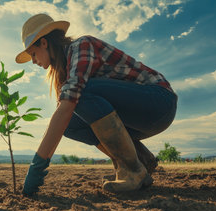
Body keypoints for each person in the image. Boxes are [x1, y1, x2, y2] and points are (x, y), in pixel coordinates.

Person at [17, 14, 177, 196]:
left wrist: (36, 168)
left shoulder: (82, 46)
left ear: (44, 43)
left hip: (159, 101)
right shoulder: (67, 68)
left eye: (33, 54)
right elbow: (64, 115)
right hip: (138, 117)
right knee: (69, 124)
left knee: (80, 94)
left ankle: (132, 169)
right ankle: (140, 162)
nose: (33, 61)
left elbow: (69, 103)